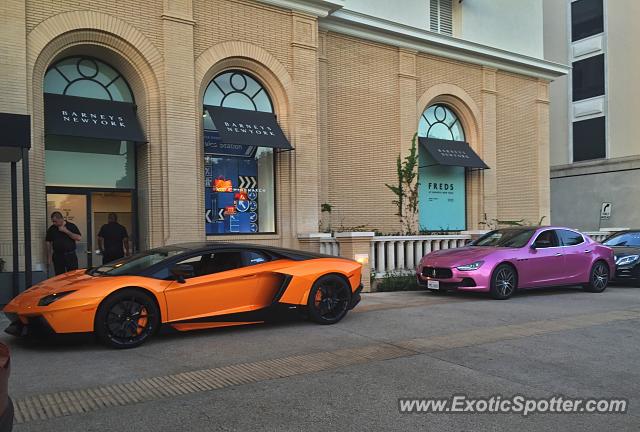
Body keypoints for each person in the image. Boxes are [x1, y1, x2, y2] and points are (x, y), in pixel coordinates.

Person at [46, 211, 82, 275]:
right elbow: (48, 242)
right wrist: (49, 257)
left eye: (55, 221)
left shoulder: (71, 226)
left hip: (70, 255)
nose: (54, 223)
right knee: (59, 276)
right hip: (58, 256)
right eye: (53, 221)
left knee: (72, 275)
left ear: (61, 219)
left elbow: (78, 238)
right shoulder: (52, 228)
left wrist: (66, 231)